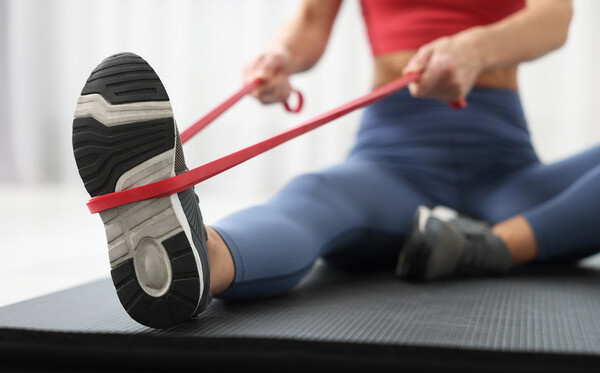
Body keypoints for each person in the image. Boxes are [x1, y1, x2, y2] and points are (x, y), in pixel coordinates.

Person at [74, 0, 598, 329]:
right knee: (314, 195)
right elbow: (309, 22)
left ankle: (494, 246)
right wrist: (282, 55)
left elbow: (555, 17)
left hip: (506, 171)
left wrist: (475, 49)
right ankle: (199, 257)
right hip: (393, 162)